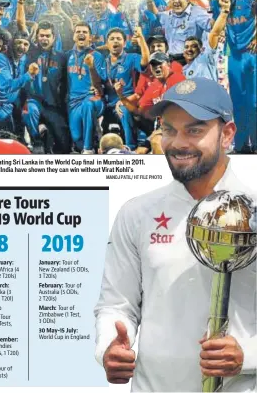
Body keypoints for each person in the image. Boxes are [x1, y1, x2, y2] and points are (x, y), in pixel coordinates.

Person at [94, 77, 256, 391]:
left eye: (194, 130)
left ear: (227, 134)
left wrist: (247, 355)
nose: (178, 143)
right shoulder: (137, 212)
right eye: (168, 129)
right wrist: (109, 347)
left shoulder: (255, 211)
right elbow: (116, 304)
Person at [204, 0, 257, 153]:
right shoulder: (216, 5)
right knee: (238, 103)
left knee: (254, 102)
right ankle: (241, 146)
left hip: (252, 53)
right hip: (233, 55)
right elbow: (216, 29)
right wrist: (224, 11)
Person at [23, 21, 70, 154]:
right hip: (34, 102)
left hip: (53, 105)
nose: (44, 39)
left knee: (64, 147)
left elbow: (67, 82)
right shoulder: (29, 53)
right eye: (41, 35)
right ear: (37, 37)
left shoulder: (62, 57)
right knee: (29, 111)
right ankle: (36, 140)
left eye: (47, 36)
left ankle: (47, 134)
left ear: (53, 38)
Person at [100, 27, 149, 151]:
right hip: (107, 103)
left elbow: (145, 61)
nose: (115, 41)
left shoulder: (132, 58)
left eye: (118, 39)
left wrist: (141, 39)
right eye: (112, 39)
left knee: (124, 110)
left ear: (125, 43)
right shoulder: (103, 62)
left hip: (126, 101)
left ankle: (130, 148)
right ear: (107, 44)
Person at [0, 31, 39, 139]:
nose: (22, 47)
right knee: (5, 143)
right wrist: (28, 75)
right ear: (11, 43)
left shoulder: (24, 58)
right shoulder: (0, 58)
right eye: (19, 43)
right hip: (0, 107)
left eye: (26, 44)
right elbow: (6, 87)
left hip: (14, 105)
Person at [66, 23, 105, 154]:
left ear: (90, 38)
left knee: (88, 105)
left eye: (85, 32)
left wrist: (91, 67)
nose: (81, 34)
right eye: (78, 32)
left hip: (93, 98)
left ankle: (88, 149)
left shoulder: (97, 56)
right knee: (76, 138)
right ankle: (94, 139)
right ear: (73, 36)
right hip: (73, 102)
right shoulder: (67, 56)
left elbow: (101, 82)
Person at [147, 0, 212, 54]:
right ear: (170, 1)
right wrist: (149, 0)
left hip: (192, 60)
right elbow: (155, 13)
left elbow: (211, 26)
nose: (176, 0)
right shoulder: (167, 15)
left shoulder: (197, 12)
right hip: (172, 60)